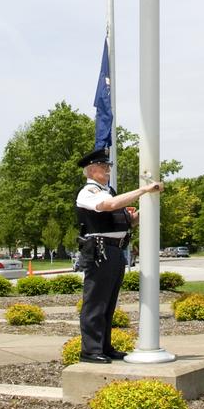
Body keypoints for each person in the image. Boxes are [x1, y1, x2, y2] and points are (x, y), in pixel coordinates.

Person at [75, 147, 162, 363]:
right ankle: (90, 350)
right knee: (96, 302)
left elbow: (126, 220)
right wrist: (143, 190)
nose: (108, 171)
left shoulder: (109, 192)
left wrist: (149, 205)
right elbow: (109, 206)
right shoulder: (89, 192)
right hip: (100, 250)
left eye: (108, 167)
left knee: (109, 302)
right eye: (104, 167)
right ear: (92, 170)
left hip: (114, 250)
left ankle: (104, 347)